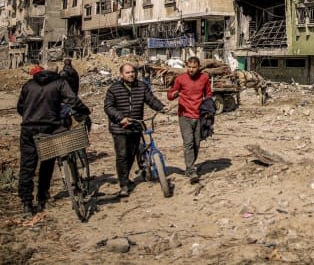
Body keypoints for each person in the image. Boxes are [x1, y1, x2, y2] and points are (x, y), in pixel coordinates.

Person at [17, 64, 90, 215]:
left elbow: (20, 107)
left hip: (28, 129)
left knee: (27, 166)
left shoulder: (29, 84)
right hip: (50, 128)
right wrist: (85, 110)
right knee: (47, 162)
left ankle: (26, 202)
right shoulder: (59, 83)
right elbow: (73, 100)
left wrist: (31, 116)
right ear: (57, 72)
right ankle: (42, 196)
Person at [104, 63, 166, 197]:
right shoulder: (113, 89)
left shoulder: (142, 86)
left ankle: (126, 178)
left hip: (136, 126)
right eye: (127, 72)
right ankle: (124, 185)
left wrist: (161, 107)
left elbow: (150, 99)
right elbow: (108, 107)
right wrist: (121, 118)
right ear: (121, 74)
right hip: (119, 128)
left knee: (132, 153)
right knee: (122, 155)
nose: (131, 74)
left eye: (133, 72)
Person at [166, 56, 212, 183]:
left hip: (199, 116)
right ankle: (191, 170)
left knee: (197, 144)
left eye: (194, 67)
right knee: (189, 143)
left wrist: (208, 110)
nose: (191, 70)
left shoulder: (204, 78)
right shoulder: (180, 79)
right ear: (186, 66)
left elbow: (208, 94)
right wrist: (173, 94)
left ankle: (190, 166)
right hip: (184, 115)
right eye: (189, 67)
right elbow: (170, 94)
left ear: (199, 67)